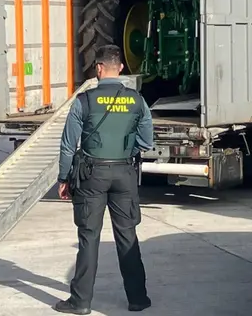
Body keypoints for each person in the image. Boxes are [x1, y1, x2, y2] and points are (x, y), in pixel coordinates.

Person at [52, 45, 153, 315]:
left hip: (91, 176)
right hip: (124, 174)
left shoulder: (84, 101)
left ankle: (81, 302)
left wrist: (64, 178)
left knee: (88, 237)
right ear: (120, 68)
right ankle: (138, 298)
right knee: (127, 236)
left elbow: (67, 145)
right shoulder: (136, 100)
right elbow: (146, 141)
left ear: (98, 69)